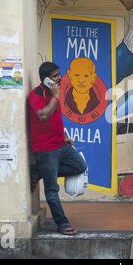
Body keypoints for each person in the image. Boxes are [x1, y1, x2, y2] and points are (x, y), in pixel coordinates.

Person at [28, 62, 87, 236]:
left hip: (60, 144)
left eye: (58, 75)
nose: (59, 78)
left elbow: (54, 118)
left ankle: (39, 171)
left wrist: (64, 136)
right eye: (55, 76)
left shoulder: (55, 94)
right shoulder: (36, 94)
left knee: (80, 166)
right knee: (52, 189)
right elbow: (43, 115)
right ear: (45, 79)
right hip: (45, 149)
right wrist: (54, 96)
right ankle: (62, 224)